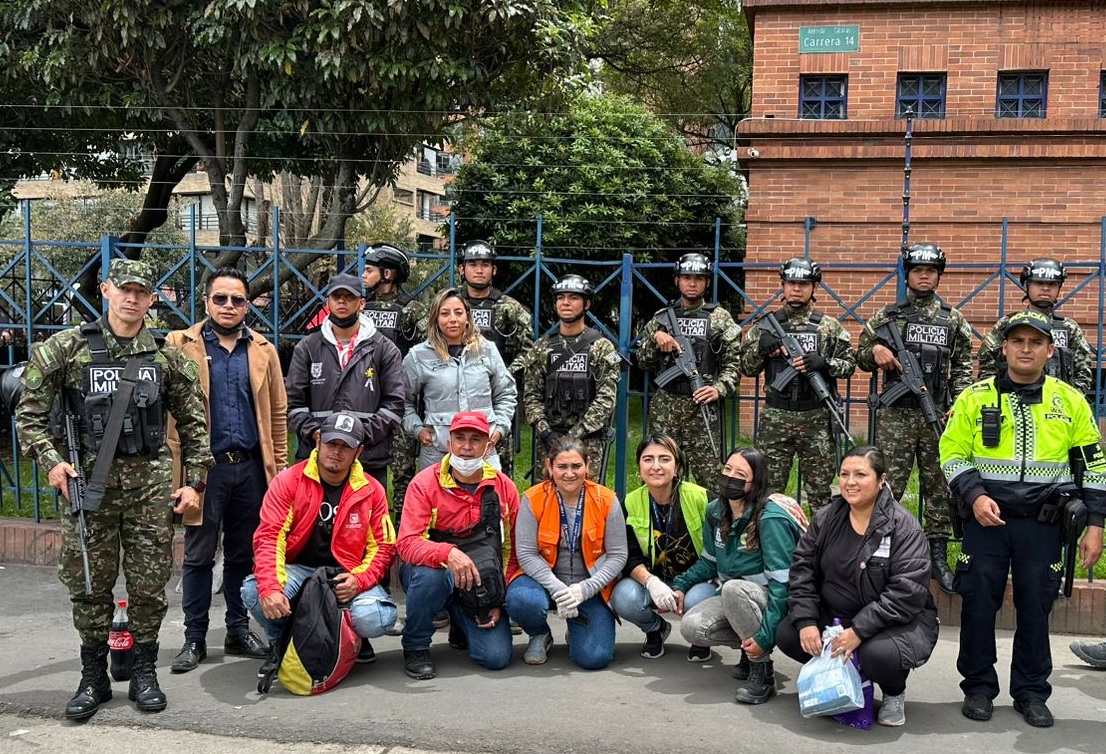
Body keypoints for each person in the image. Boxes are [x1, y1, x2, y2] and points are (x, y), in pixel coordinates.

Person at [15, 259, 211, 719]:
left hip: (150, 489)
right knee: (89, 584)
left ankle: (144, 671)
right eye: (124, 289)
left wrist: (194, 483)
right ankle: (93, 676)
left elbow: (195, 423)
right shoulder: (66, 348)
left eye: (142, 291)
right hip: (89, 486)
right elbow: (28, 416)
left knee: (149, 585)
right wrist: (53, 462)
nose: (132, 298)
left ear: (150, 298)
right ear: (106, 289)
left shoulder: (165, 355)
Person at [941, 310, 1106, 728]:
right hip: (986, 519)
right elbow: (951, 453)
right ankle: (978, 688)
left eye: (1035, 342)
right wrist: (975, 495)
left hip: (1044, 523)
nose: (1026, 349)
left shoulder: (1070, 401)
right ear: (1005, 347)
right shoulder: (974, 397)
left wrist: (1096, 525)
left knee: (1037, 608)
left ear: (1050, 351)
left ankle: (1031, 693)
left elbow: (1094, 464)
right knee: (978, 605)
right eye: (1018, 341)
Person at [166, 267, 288, 673]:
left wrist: (281, 473)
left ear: (247, 305)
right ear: (206, 302)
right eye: (221, 298)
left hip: (251, 469)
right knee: (199, 556)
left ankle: (237, 629)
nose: (229, 306)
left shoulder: (263, 350)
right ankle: (194, 637)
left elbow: (278, 416)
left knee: (243, 555)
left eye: (237, 299)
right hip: (204, 470)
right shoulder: (180, 345)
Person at [776, 445, 939, 727]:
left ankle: (893, 692)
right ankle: (845, 677)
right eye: (844, 474)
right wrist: (806, 621)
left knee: (878, 655)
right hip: (834, 615)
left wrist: (859, 631)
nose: (850, 482)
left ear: (881, 479)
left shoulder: (904, 528)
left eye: (860, 474)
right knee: (789, 633)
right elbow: (802, 569)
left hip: (891, 623)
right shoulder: (826, 518)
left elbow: (906, 593)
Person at [855, 242, 973, 594]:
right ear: (908, 275)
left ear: (938, 276)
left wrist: (961, 400)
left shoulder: (952, 319)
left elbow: (964, 364)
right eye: (918, 270)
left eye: (931, 271)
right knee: (888, 486)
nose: (924, 276)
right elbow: (859, 356)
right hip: (896, 417)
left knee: (939, 488)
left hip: (936, 412)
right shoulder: (887, 317)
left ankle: (937, 557)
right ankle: (882, 553)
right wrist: (874, 350)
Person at [243, 411, 397, 677]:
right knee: (254, 591)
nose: (336, 452)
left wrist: (359, 581)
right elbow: (269, 537)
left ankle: (345, 641)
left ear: (358, 451)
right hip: (299, 569)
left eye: (345, 446)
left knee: (377, 618)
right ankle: (282, 643)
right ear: (318, 441)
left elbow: (384, 548)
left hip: (346, 573)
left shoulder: (372, 490)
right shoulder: (288, 481)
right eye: (331, 443)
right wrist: (270, 587)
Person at [675, 447, 806, 704]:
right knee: (693, 628)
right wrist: (679, 586)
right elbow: (709, 562)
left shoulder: (770, 519)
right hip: (737, 597)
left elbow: (783, 585)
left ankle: (762, 669)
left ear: (755, 483)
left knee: (734, 589)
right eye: (727, 470)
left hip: (776, 602)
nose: (730, 477)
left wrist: (765, 637)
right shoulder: (716, 510)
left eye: (740, 474)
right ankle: (749, 648)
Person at [397, 411, 522, 679]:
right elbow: (406, 544)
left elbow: (514, 551)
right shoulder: (423, 484)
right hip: (432, 574)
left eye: (476, 439)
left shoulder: (504, 488)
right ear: (449, 442)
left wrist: (498, 599)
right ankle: (416, 645)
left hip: (480, 583)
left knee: (496, 657)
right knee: (432, 577)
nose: (467, 447)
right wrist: (447, 553)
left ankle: (461, 622)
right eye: (460, 438)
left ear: (488, 446)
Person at [739, 258, 855, 511]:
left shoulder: (828, 327)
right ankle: (770, 543)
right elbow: (747, 368)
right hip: (776, 417)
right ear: (782, 285)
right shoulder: (765, 326)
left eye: (804, 284)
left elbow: (850, 365)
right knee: (768, 492)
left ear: (814, 288)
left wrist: (824, 363)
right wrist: (761, 348)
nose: (797, 289)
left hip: (815, 417)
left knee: (820, 494)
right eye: (791, 283)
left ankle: (821, 546)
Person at [506, 436, 628, 669]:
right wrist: (558, 588)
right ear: (550, 466)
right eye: (562, 466)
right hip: (543, 582)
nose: (569, 473)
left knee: (594, 659)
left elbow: (618, 555)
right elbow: (526, 553)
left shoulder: (606, 500)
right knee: (521, 600)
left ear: (588, 465)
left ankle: (578, 630)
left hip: (589, 587)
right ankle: (540, 633)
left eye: (576, 466)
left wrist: (584, 590)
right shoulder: (533, 499)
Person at [285, 272, 405, 488]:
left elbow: (393, 407)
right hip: (317, 457)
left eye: (349, 297)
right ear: (327, 302)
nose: (342, 301)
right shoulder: (308, 347)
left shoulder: (384, 349)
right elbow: (294, 405)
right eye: (336, 296)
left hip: (368, 459)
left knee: (365, 520)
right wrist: (318, 434)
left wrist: (356, 435)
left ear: (362, 303)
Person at [636, 253, 742, 490]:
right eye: (686, 277)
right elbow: (643, 362)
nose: (692, 283)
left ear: (706, 282)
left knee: (711, 481)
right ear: (677, 281)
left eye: (698, 278)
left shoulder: (720, 318)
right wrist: (655, 339)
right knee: (665, 477)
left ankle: (712, 526)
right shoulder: (662, 318)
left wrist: (718, 389)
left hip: (702, 407)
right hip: (667, 407)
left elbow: (733, 366)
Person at [610, 434, 711, 661]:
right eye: (648, 459)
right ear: (639, 466)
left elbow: (714, 552)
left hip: (695, 581)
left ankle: (699, 636)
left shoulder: (702, 498)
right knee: (623, 597)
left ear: (677, 466)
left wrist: (684, 585)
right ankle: (655, 629)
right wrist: (652, 582)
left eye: (664, 459)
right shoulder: (628, 502)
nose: (656, 466)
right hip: (652, 581)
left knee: (700, 600)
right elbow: (628, 556)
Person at [402, 287, 518, 472]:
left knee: (488, 498)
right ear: (435, 319)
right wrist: (418, 429)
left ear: (467, 317)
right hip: (438, 450)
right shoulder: (418, 356)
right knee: (436, 501)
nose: (453, 319)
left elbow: (506, 392)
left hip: (483, 450)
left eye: (458, 312)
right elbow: (402, 400)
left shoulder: (487, 350)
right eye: (445, 314)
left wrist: (500, 428)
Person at [516, 274, 620, 477]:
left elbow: (606, 399)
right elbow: (531, 395)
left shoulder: (600, 347)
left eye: (573, 297)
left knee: (588, 500)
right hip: (549, 441)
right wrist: (546, 433)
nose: (565, 303)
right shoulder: (542, 347)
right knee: (546, 500)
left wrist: (574, 436)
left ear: (586, 304)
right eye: (560, 297)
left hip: (587, 442)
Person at [361, 244, 428, 524]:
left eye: (369, 270)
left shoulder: (412, 310)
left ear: (387, 274)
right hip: (364, 400)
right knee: (363, 466)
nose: (363, 276)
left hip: (400, 403)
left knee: (403, 471)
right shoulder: (361, 306)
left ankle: (403, 529)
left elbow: (429, 349)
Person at [457, 239, 534, 477]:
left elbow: (529, 351)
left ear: (494, 270)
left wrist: (504, 375)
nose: (479, 269)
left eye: (485, 264)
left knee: (499, 469)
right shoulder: (451, 304)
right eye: (472, 264)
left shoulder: (509, 308)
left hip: (493, 398)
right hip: (452, 394)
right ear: (462, 269)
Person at [977, 257, 1093, 395]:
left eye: (1052, 284)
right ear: (1027, 285)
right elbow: (987, 368)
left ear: (1059, 288)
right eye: (1039, 283)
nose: (1045, 288)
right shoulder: (1007, 324)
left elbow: (1083, 373)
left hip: (1056, 407)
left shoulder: (1069, 329)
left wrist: (1069, 403)